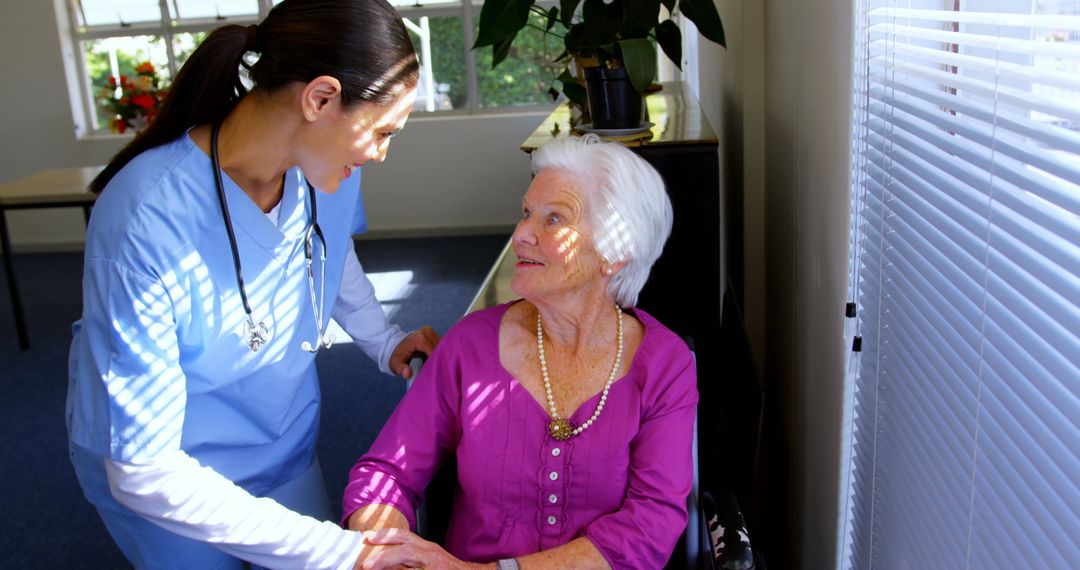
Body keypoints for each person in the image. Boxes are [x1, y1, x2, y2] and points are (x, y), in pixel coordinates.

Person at [66, 1, 440, 567]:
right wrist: (340, 552)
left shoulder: (328, 172)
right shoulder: (147, 216)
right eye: (383, 131)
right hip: (167, 478)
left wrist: (384, 339)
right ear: (319, 99)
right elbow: (144, 470)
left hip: (279, 445)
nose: (380, 153)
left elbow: (330, 256)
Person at [342, 135, 698, 569]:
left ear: (616, 252)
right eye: (526, 213)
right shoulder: (470, 345)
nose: (522, 234)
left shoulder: (664, 365)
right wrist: (396, 552)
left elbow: (650, 524)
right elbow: (385, 474)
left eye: (553, 220)